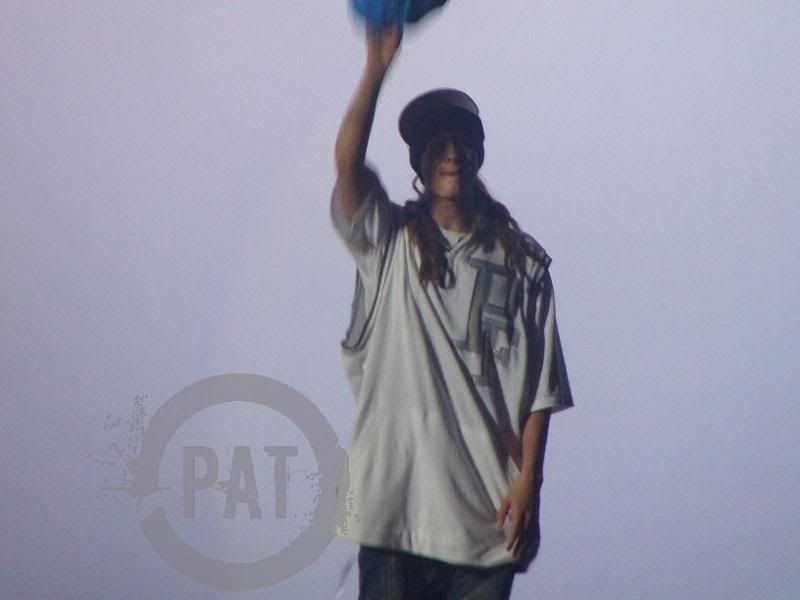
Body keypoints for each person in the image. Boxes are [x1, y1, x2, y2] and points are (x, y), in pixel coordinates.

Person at [330, 23, 573, 600]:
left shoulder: (524, 264)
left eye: (461, 140)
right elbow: (348, 164)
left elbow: (540, 391)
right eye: (436, 143)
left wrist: (530, 483)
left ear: (478, 153)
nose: (450, 152)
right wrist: (377, 67)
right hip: (393, 515)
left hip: (485, 527)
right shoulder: (389, 242)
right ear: (418, 161)